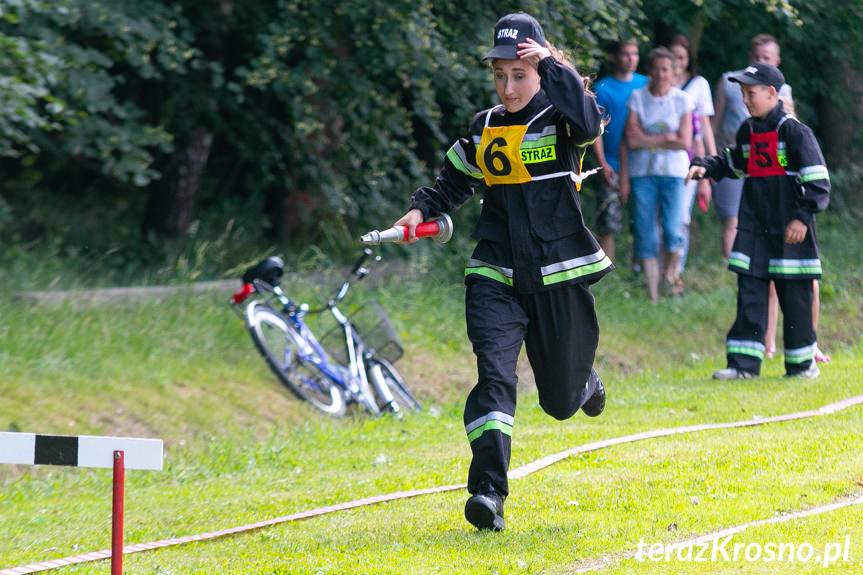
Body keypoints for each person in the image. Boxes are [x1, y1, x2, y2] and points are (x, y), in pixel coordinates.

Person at [392, 12, 610, 531]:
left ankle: (582, 381)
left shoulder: (563, 119)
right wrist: (420, 210)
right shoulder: (484, 125)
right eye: (500, 76)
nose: (508, 88)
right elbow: (453, 181)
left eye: (519, 74)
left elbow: (590, 123)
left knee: (560, 403)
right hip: (495, 271)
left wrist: (552, 66)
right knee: (493, 375)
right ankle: (488, 492)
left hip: (557, 274)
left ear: (540, 71)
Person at [687, 63, 830, 380]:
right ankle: (743, 366)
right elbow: (734, 162)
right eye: (742, 93)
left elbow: (818, 181)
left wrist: (801, 218)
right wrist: (706, 166)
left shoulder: (795, 132)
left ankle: (802, 365)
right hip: (755, 228)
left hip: (790, 231)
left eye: (750, 93)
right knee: (750, 294)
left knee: (796, 298)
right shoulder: (748, 130)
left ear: (771, 93)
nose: (745, 100)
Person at [619, 47, 693, 302]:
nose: (661, 74)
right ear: (649, 71)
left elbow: (684, 141)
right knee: (645, 233)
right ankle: (653, 296)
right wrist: (667, 138)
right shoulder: (637, 98)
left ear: (673, 72)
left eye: (666, 70)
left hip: (675, 174)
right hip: (643, 174)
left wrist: (647, 139)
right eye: (657, 69)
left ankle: (670, 277)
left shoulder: (682, 100)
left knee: (673, 231)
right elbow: (631, 140)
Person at [712, 34, 793, 259]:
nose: (761, 61)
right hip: (732, 155)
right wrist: (712, 158)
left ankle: (763, 260)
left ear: (777, 60)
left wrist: (785, 163)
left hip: (769, 161)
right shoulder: (729, 81)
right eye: (756, 56)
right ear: (749, 57)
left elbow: (789, 131)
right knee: (731, 216)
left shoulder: (784, 90)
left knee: (765, 214)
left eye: (766, 57)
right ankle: (730, 266)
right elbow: (714, 123)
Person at [590, 39, 648, 261]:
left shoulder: (646, 84)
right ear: (613, 57)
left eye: (635, 53)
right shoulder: (602, 88)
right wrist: (602, 163)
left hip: (643, 164)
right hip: (612, 164)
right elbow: (596, 129)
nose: (631, 59)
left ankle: (639, 266)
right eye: (626, 54)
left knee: (642, 220)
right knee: (608, 221)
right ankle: (608, 267)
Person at [669, 34, 716, 279]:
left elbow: (705, 126)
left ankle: (677, 268)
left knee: (682, 217)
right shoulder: (660, 82)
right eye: (673, 56)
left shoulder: (699, 84)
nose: (678, 62)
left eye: (682, 57)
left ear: (689, 59)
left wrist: (713, 161)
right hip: (662, 157)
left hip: (690, 159)